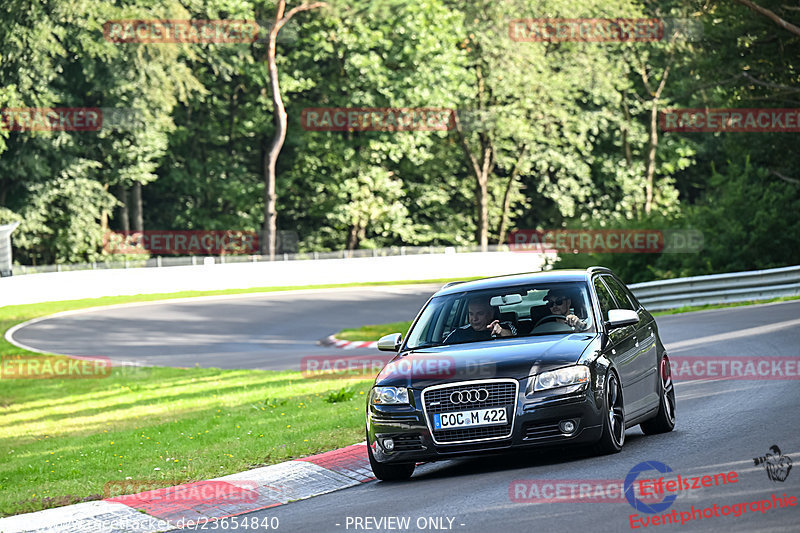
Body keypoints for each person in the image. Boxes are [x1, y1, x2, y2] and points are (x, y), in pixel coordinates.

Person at [444, 297, 516, 344]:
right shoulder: (458, 333)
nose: (474, 318)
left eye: (480, 314)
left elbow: (515, 343)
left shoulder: (504, 326)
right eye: (471, 314)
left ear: (491, 314)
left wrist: (500, 331)